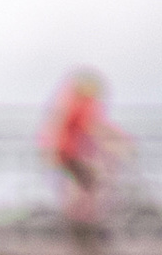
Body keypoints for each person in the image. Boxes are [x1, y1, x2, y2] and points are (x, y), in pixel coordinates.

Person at [43, 69, 117, 231]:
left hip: (64, 152)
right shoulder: (81, 104)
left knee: (84, 182)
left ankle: (78, 220)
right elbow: (92, 126)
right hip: (68, 153)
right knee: (90, 182)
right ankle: (79, 223)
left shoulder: (70, 102)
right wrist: (118, 140)